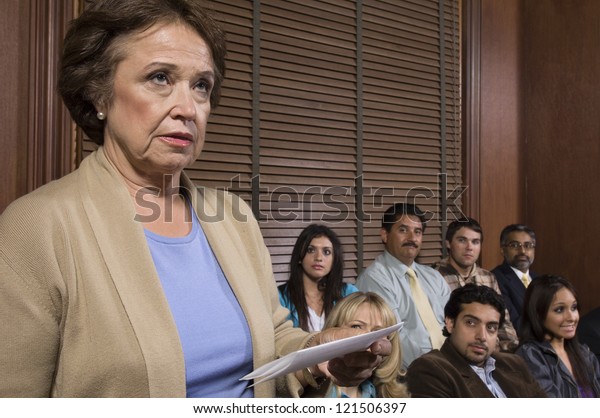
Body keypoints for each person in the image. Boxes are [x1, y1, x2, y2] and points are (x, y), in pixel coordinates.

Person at [0, 0, 390, 398]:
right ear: (99, 96)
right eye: (159, 78)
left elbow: (273, 337)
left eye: (200, 85)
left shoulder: (233, 216)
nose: (188, 109)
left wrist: (316, 353)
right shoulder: (37, 226)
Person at [406, 284, 546, 397]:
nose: (482, 336)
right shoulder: (429, 369)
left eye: (491, 327)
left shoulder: (514, 364)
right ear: (450, 324)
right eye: (471, 323)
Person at [357, 202, 451, 368]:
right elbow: (394, 337)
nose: (412, 238)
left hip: (451, 366)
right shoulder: (375, 278)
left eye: (418, 232)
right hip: (412, 372)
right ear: (385, 235)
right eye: (403, 230)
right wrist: (437, 368)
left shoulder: (434, 277)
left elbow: (454, 323)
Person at [433, 217, 518, 351]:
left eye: (475, 242)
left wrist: (511, 349)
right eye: (462, 240)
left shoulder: (488, 277)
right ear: (448, 244)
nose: (469, 247)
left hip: (491, 351)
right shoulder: (434, 277)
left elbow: (503, 322)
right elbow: (436, 328)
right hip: (453, 353)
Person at [305, 292, 409, 398]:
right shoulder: (313, 392)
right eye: (356, 327)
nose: (368, 338)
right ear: (334, 328)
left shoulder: (385, 392)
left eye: (378, 332)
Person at [516, 275, 600, 397]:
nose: (571, 317)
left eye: (574, 308)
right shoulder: (530, 355)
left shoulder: (585, 353)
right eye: (559, 310)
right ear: (538, 314)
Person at [278, 224, 358, 332]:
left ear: (334, 260)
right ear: (300, 257)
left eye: (326, 252)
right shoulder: (280, 297)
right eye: (311, 250)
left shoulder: (349, 293)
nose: (319, 258)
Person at [491, 223, 539, 331]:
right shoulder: (495, 279)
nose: (522, 251)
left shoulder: (538, 280)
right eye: (515, 245)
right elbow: (513, 323)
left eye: (528, 245)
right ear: (503, 249)